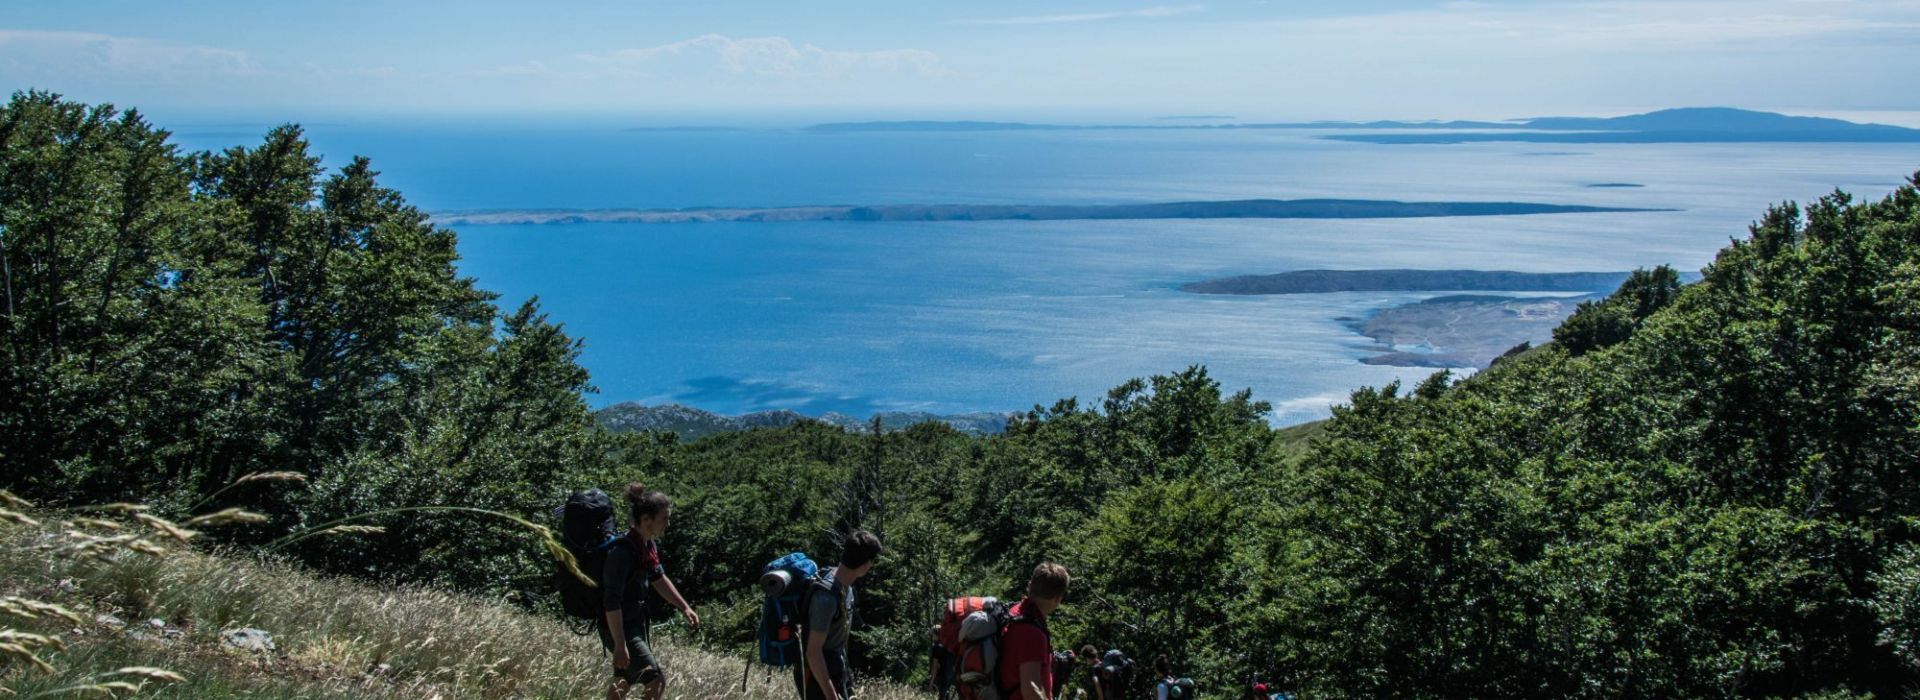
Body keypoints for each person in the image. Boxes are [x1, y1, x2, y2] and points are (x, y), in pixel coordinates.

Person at [601, 484, 700, 700]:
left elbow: (658, 578)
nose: (668, 523)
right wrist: (620, 644)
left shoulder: (646, 546)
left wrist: (684, 607)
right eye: (664, 518)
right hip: (620, 627)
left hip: (633, 623)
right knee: (655, 680)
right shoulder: (622, 553)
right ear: (646, 520)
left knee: (623, 680)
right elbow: (611, 602)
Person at [797, 529, 883, 700]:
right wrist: (831, 696)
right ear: (865, 565)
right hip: (816, 675)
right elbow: (813, 653)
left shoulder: (845, 587)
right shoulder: (826, 598)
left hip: (835, 667)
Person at [999, 562, 1072, 700]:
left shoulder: (1016, 611)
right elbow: (1031, 690)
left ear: (1030, 585)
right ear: (1058, 598)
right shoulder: (1032, 634)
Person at [930, 624, 955, 700]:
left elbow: (935, 666)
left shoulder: (936, 647)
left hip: (942, 676)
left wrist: (931, 681)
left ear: (935, 634)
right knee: (947, 696)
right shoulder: (948, 644)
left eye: (932, 634)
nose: (932, 636)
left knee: (942, 696)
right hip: (951, 675)